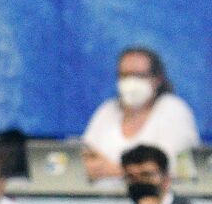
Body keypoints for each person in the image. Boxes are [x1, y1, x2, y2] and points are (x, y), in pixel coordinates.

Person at [82, 47, 199, 181]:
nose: (131, 82)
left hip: (152, 197)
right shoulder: (107, 110)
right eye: (125, 75)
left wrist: (116, 170)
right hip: (100, 198)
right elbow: (83, 157)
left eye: (139, 75)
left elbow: (172, 170)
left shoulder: (173, 110)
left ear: (157, 79)